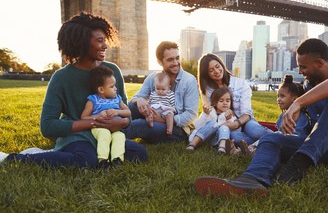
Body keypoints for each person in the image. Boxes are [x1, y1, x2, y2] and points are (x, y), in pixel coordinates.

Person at [194, 38, 328, 197]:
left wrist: (298, 103)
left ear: (320, 63)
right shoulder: (307, 85)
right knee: (271, 138)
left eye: (303, 66)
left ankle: (301, 161)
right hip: (320, 150)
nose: (300, 71)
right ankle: (251, 181)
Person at [0, 12, 147, 168]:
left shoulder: (112, 71)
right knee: (86, 160)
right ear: (82, 42)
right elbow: (48, 126)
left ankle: (61, 156)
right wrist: (94, 123)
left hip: (107, 136)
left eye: (105, 40)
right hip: (77, 137)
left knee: (139, 154)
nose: (105, 45)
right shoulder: (61, 77)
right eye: (100, 41)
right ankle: (12, 158)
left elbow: (127, 117)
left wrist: (119, 121)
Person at [124, 41, 199, 143]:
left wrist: (164, 120)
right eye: (170, 60)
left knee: (140, 125)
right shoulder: (153, 77)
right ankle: (110, 128)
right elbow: (135, 98)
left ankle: (111, 137)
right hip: (153, 117)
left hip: (177, 128)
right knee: (132, 107)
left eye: (177, 58)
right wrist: (139, 100)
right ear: (160, 62)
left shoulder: (189, 80)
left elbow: (191, 115)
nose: (176, 63)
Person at [197, 53, 270, 149]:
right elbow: (211, 115)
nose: (216, 71)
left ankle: (279, 137)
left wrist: (236, 124)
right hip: (225, 125)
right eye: (211, 70)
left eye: (217, 66)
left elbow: (246, 113)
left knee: (256, 131)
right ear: (207, 74)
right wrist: (226, 125)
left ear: (221, 64)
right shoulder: (207, 90)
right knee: (236, 138)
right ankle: (256, 146)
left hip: (245, 120)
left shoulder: (240, 83)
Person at [239, 74, 309, 157]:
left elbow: (299, 136)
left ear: (294, 99)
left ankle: (251, 149)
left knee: (269, 136)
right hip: (280, 142)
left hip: (292, 146)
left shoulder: (301, 118)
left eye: (282, 96)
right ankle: (241, 150)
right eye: (278, 96)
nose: (278, 99)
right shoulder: (282, 116)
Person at [81, 65, 130, 168]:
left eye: (115, 86)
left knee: (120, 136)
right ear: (101, 89)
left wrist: (117, 112)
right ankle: (103, 160)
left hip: (115, 128)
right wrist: (98, 115)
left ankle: (117, 160)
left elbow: (128, 112)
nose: (116, 89)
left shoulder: (117, 98)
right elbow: (84, 117)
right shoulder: (93, 100)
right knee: (105, 134)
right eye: (112, 87)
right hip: (99, 128)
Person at [186, 87, 239, 154]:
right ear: (214, 103)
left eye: (228, 101)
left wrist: (229, 120)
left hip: (215, 140)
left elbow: (235, 130)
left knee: (225, 127)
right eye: (221, 101)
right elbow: (197, 126)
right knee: (212, 123)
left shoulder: (230, 114)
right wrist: (205, 115)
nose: (225, 103)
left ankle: (222, 147)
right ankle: (192, 144)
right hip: (202, 137)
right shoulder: (209, 111)